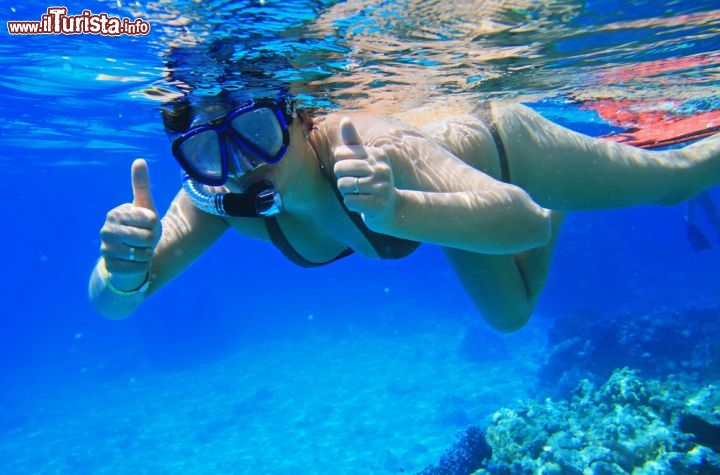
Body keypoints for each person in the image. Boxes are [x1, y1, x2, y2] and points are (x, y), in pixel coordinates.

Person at [88, 94, 720, 332]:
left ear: (296, 114)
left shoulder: (371, 143)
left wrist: (399, 207)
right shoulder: (216, 191)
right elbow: (114, 305)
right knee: (511, 315)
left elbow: (520, 220)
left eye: (255, 130)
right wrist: (117, 273)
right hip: (458, 208)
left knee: (677, 178)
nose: (240, 162)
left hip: (502, 147)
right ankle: (570, 200)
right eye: (206, 148)